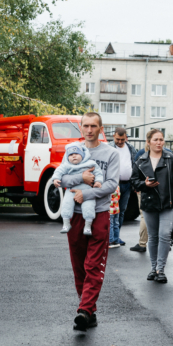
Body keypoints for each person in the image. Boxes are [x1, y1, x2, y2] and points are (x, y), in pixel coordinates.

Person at [56, 112, 119, 331]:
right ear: (81, 128)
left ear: (101, 129)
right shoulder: (72, 150)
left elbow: (111, 184)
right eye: (86, 126)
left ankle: (83, 310)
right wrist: (81, 179)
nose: (89, 130)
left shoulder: (111, 153)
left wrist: (88, 194)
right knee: (78, 264)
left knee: (93, 264)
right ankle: (88, 309)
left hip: (99, 214)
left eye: (94, 126)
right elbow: (61, 178)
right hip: (74, 215)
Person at [131, 129, 173, 284]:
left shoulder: (172, 158)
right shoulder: (141, 160)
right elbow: (133, 181)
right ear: (148, 142)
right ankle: (153, 268)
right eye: (155, 140)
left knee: (165, 234)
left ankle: (160, 269)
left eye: (161, 139)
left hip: (169, 203)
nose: (159, 142)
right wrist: (145, 184)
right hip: (149, 204)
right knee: (153, 237)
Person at [53, 143, 104, 235]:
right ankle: (66, 223)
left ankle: (87, 226)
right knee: (66, 204)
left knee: (89, 206)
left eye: (76, 154)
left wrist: (98, 181)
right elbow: (58, 171)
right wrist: (56, 179)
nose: (74, 156)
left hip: (87, 189)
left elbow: (98, 172)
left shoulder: (90, 163)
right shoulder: (66, 165)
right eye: (71, 155)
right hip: (71, 190)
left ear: (83, 155)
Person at [108, 127, 137, 248]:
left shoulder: (130, 148)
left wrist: (135, 183)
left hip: (127, 183)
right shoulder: (109, 147)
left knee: (122, 211)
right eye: (118, 139)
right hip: (114, 184)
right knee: (112, 212)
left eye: (122, 139)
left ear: (126, 138)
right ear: (114, 136)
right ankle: (110, 237)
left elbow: (135, 164)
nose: (120, 142)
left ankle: (116, 236)